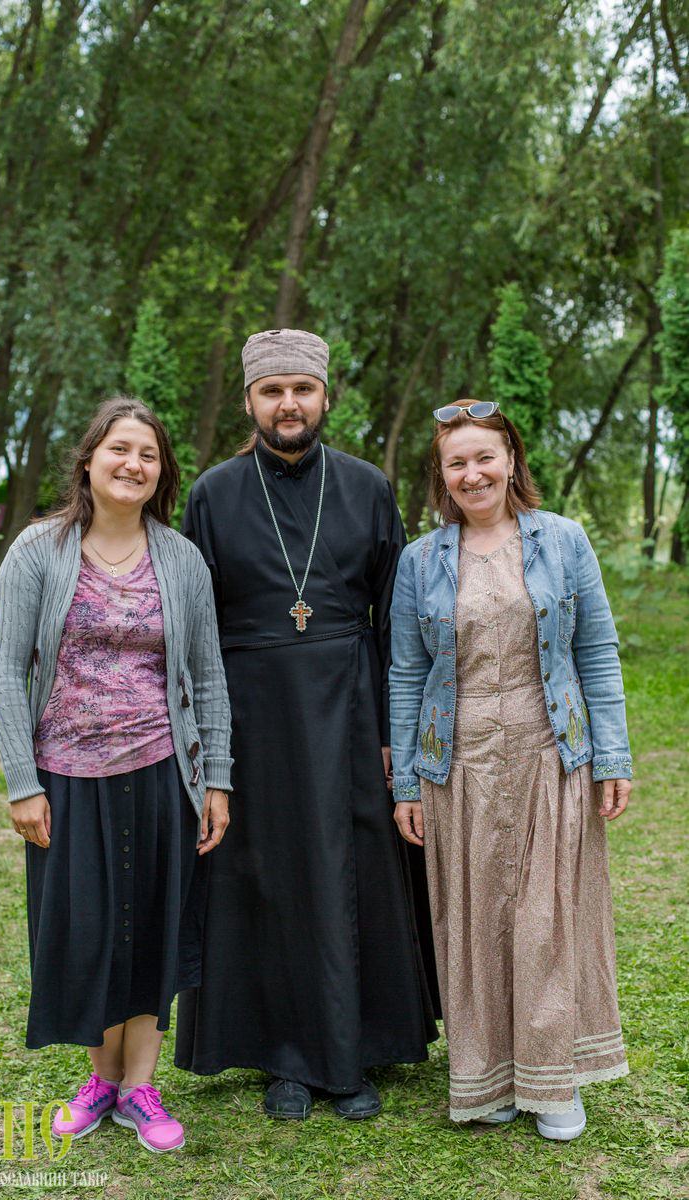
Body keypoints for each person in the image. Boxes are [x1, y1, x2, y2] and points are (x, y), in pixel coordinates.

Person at [175, 328, 439, 1121]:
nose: (287, 404)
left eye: (301, 389)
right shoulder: (212, 495)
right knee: (268, 874)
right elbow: (194, 628)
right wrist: (206, 742)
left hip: (351, 703)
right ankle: (282, 1056)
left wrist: (394, 732)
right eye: (272, 391)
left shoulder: (366, 486)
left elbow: (396, 621)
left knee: (352, 871)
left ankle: (353, 1052)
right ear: (249, 401)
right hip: (252, 710)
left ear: (325, 396)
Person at [0, 396, 232, 1154]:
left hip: (163, 772)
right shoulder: (38, 550)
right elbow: (5, 670)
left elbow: (208, 675)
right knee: (87, 929)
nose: (133, 464)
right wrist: (22, 782)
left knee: (155, 926)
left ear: (162, 472)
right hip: (65, 776)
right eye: (120, 449)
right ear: (89, 459)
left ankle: (140, 1088)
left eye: (148, 455)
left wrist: (216, 777)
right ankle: (101, 1079)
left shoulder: (181, 559)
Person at [389, 398, 632, 1141]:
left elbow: (595, 650)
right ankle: (486, 1076)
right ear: (441, 475)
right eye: (456, 462)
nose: (473, 473)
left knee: (543, 917)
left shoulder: (561, 540)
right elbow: (406, 672)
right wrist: (407, 781)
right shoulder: (420, 560)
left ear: (510, 461)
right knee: (473, 920)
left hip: (547, 749)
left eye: (484, 457)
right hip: (457, 759)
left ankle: (552, 1079)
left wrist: (612, 756)